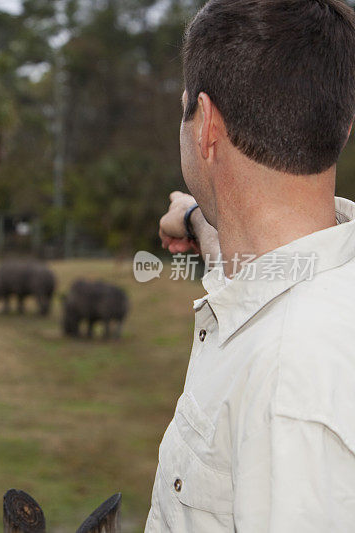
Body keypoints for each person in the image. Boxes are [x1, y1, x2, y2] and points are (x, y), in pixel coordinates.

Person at [146, 0, 355, 531]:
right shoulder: (325, 278)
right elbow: (265, 266)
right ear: (344, 124)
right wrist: (194, 216)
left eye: (185, 108)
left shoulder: (289, 387)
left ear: (206, 127)